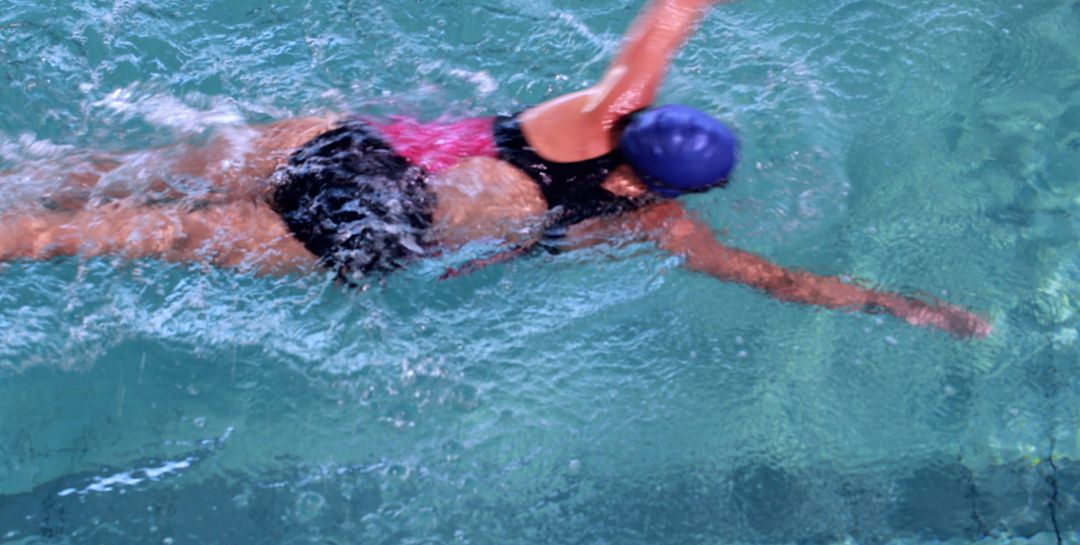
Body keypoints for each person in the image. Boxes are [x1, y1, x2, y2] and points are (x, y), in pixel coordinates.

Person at [0, 0, 990, 338]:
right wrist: (905, 307)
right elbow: (775, 282)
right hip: (364, 229)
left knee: (97, 170)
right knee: (116, 238)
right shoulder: (647, 224)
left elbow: (668, 16)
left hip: (351, 149)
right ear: (671, 185)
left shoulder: (593, 114)